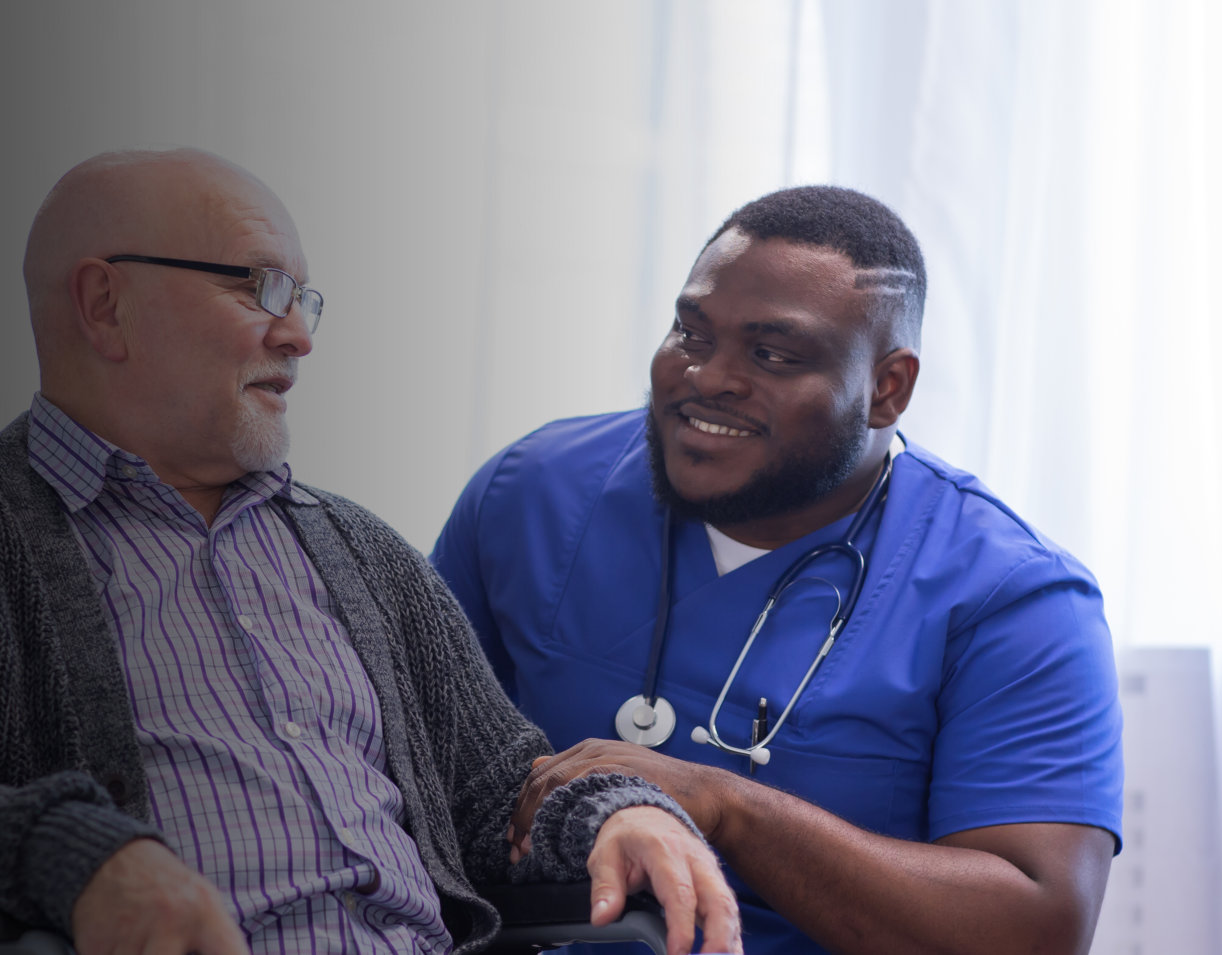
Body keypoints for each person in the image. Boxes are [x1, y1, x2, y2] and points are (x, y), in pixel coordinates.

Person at [0, 148, 740, 955]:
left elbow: (504, 784)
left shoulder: (364, 552)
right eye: (259, 286)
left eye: (303, 298)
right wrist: (80, 853)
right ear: (104, 303)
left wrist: (617, 809)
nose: (298, 335)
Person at [431, 185, 1122, 954]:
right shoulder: (530, 493)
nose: (707, 376)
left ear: (886, 387)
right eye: (690, 333)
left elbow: (1037, 925)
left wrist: (727, 805)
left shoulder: (1013, 597)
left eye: (773, 355)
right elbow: (406, 772)